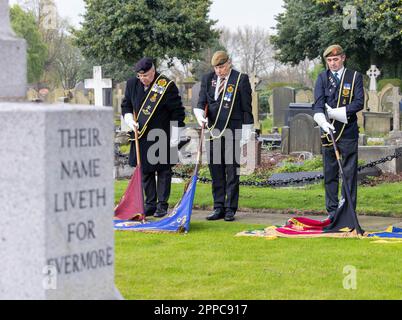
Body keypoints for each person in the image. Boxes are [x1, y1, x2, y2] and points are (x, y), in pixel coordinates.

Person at [122, 57, 185, 218]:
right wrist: (129, 119)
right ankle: (150, 204)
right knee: (145, 171)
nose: (143, 79)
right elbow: (126, 105)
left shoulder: (166, 86)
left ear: (153, 71)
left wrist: (176, 134)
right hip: (141, 135)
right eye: (140, 76)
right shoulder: (131, 84)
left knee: (163, 171)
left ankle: (162, 205)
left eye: (146, 76)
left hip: (162, 135)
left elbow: (177, 112)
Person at [194, 51, 254, 222]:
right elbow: (201, 102)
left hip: (233, 130)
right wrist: (199, 115)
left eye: (221, 67)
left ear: (229, 63)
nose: (218, 71)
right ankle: (218, 206)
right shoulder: (208, 79)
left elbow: (246, 109)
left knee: (231, 171)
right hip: (213, 131)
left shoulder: (240, 79)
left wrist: (247, 132)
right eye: (216, 68)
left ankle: (230, 208)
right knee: (216, 170)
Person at [313, 44, 364, 220]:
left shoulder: (354, 77)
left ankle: (348, 211)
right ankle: (332, 212)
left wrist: (337, 113)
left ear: (343, 58)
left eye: (335, 59)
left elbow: (359, 103)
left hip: (348, 130)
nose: (333, 63)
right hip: (329, 131)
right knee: (330, 173)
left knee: (349, 173)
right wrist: (321, 120)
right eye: (329, 60)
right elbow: (318, 104)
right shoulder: (322, 78)